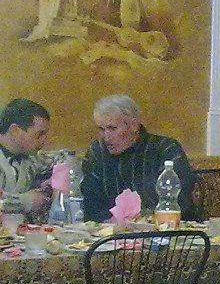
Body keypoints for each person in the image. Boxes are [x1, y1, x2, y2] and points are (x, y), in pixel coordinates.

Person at [81, 94, 195, 222]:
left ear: (134, 125)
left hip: (167, 228)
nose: (106, 137)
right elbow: (90, 205)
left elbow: (179, 200)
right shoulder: (97, 152)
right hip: (109, 230)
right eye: (101, 129)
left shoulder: (165, 149)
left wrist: (143, 219)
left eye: (112, 128)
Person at [0, 98, 56, 217]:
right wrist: (26, 201)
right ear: (15, 131)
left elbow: (66, 158)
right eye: (39, 134)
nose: (44, 141)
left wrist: (51, 183)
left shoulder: (31, 159)